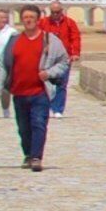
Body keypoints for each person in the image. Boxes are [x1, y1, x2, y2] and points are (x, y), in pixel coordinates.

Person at [13, 15, 70, 172]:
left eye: (31, 17)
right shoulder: (14, 40)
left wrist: (49, 73)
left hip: (40, 91)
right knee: (23, 128)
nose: (28, 20)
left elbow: (64, 61)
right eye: (25, 17)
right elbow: (4, 63)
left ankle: (37, 157)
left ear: (38, 20)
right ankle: (28, 154)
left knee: (38, 123)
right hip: (19, 91)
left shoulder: (50, 40)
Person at [40, 3, 81, 115]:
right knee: (45, 83)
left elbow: (75, 38)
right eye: (53, 12)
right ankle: (46, 106)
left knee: (61, 83)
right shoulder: (43, 23)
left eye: (57, 12)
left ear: (61, 11)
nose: (55, 14)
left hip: (64, 58)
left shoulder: (69, 23)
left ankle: (58, 109)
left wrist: (75, 53)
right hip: (47, 58)